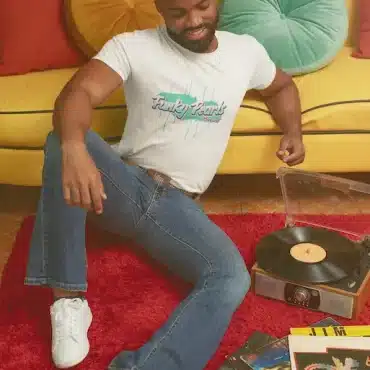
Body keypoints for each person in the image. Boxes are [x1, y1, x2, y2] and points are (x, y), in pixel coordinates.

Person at [24, 0, 305, 368]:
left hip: (178, 209)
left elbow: (281, 87)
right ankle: (68, 301)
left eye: (201, 7)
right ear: (159, 8)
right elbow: (78, 93)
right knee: (62, 140)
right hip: (123, 187)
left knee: (231, 278)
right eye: (177, 12)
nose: (192, 21)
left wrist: (293, 131)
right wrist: (75, 147)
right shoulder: (132, 46)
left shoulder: (246, 52)